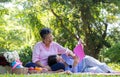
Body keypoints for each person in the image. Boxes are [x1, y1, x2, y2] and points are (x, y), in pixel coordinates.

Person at [47, 54, 115, 73]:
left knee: (101, 65)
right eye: (59, 60)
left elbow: (74, 54)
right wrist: (75, 65)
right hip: (83, 70)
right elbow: (75, 74)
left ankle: (113, 72)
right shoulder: (64, 70)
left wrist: (74, 55)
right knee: (96, 69)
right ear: (57, 64)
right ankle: (109, 74)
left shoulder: (64, 55)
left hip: (84, 60)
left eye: (60, 57)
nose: (61, 59)